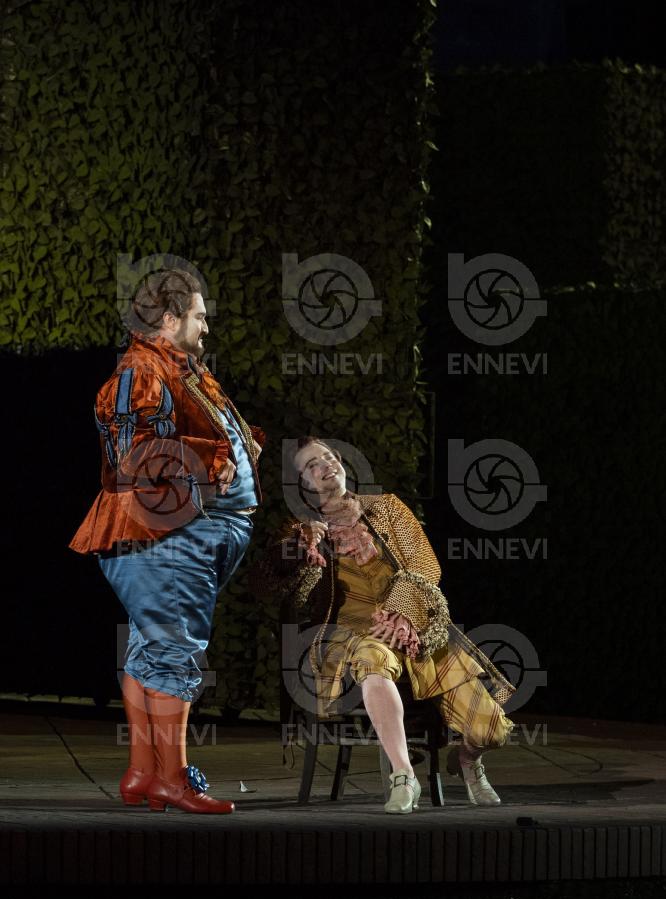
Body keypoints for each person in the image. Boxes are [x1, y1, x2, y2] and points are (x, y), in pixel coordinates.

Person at [70, 268, 265, 815]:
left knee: (149, 652)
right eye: (200, 316)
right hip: (166, 538)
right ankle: (175, 781)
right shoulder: (141, 371)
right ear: (171, 318)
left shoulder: (174, 367)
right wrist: (214, 456)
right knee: (174, 652)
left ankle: (143, 773)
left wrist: (236, 447)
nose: (207, 327)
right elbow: (135, 458)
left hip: (185, 537)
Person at [250, 438, 515, 814]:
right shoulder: (302, 531)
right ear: (303, 484)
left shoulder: (386, 507)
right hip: (353, 633)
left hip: (412, 627)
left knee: (490, 730)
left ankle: (468, 760)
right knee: (372, 660)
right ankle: (403, 776)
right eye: (312, 465)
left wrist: (401, 611)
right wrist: (297, 549)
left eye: (329, 456)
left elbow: (425, 565)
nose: (326, 464)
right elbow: (264, 584)